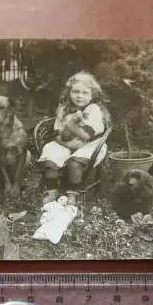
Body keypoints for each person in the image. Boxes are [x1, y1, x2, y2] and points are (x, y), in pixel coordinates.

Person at [37, 70, 111, 206]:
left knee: (74, 163)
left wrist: (70, 124)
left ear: (92, 95)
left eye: (84, 93)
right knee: (51, 156)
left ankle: (73, 193)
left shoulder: (93, 109)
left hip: (91, 144)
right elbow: (56, 133)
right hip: (67, 142)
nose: (79, 96)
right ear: (69, 92)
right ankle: (52, 190)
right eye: (75, 92)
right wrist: (67, 144)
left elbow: (86, 135)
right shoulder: (64, 109)